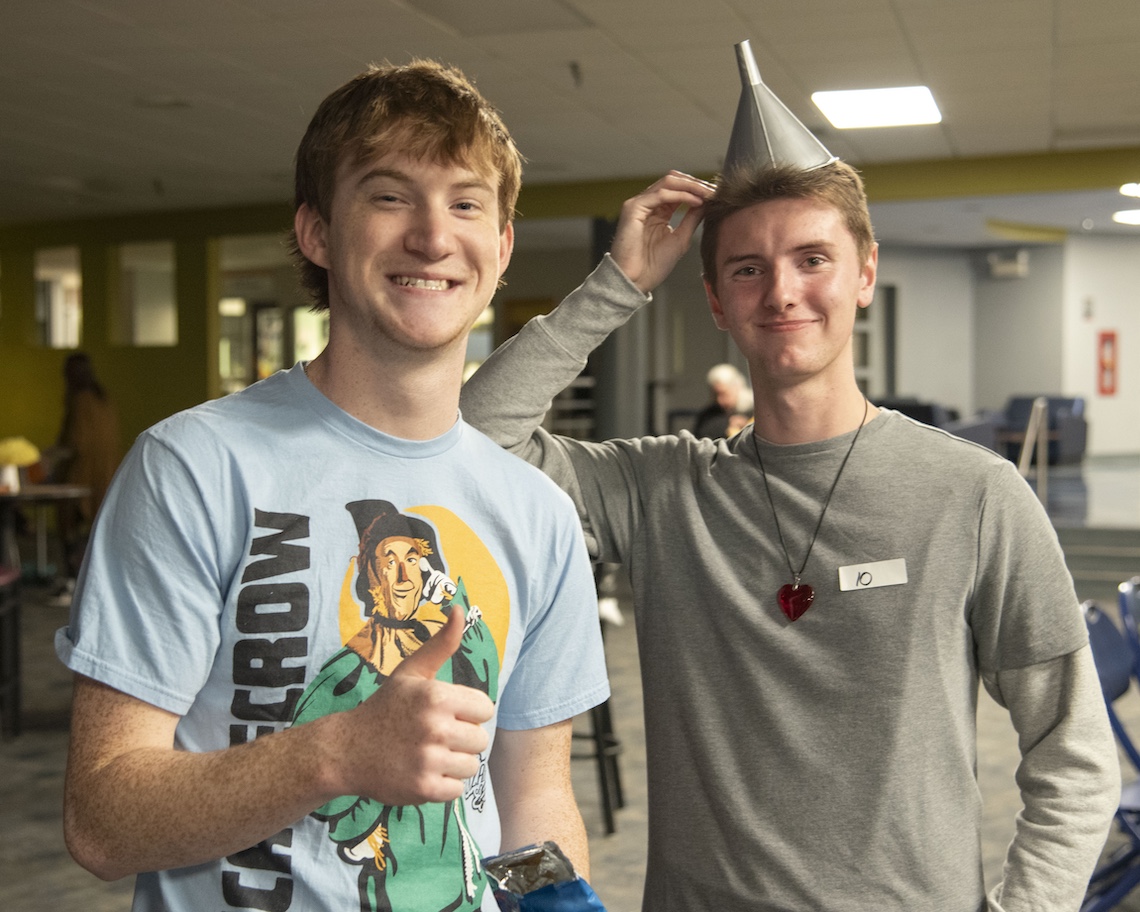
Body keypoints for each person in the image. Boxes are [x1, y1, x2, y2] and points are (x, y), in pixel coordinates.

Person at [460, 159, 1120, 909]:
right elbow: (477, 439)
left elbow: (1075, 750)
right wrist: (619, 280)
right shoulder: (662, 491)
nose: (781, 291)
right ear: (714, 300)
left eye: (813, 259)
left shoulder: (973, 494)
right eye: (747, 269)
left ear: (865, 273)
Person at [55, 59, 609, 912]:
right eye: (390, 197)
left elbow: (535, 802)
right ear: (316, 232)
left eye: (466, 203)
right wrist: (337, 755)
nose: (432, 236)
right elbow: (101, 819)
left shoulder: (536, 513)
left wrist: (552, 899)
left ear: (500, 249)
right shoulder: (196, 467)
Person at [51, 351, 121, 581]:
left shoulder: (81, 400)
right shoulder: (104, 398)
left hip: (81, 478)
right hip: (106, 478)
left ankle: (72, 581)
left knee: (71, 531)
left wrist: (47, 457)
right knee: (93, 534)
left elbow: (75, 444)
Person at [692, 362, 752, 438]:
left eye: (724, 394)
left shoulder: (755, 411)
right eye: (715, 395)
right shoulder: (708, 415)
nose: (719, 400)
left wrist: (746, 427)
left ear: (737, 388)